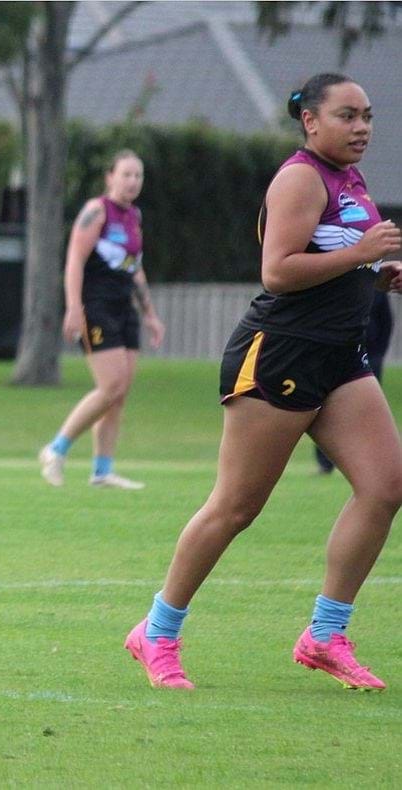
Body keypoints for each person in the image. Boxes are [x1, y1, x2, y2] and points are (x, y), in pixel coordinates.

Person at [125, 73, 402, 691]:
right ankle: (157, 631)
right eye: (347, 116)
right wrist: (361, 255)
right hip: (279, 355)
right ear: (310, 121)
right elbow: (278, 271)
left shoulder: (348, 180)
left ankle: (326, 634)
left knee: (385, 486)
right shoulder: (301, 176)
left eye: (368, 116)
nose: (362, 128)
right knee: (236, 507)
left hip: (339, 357)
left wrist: (375, 276)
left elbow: (332, 255)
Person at [38, 150, 165, 490]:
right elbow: (75, 260)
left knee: (119, 393)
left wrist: (150, 314)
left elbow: (134, 267)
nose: (132, 181)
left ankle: (102, 470)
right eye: (126, 174)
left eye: (138, 176)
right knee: (110, 385)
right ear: (110, 177)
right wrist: (74, 307)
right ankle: (56, 449)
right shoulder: (97, 211)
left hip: (124, 308)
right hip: (96, 307)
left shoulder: (133, 216)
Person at [314, 291, 391, 472]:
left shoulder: (376, 289)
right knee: (323, 409)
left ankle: (370, 463)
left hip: (369, 357)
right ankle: (325, 463)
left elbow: (386, 324)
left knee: (368, 413)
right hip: (333, 355)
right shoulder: (337, 283)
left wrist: (378, 355)